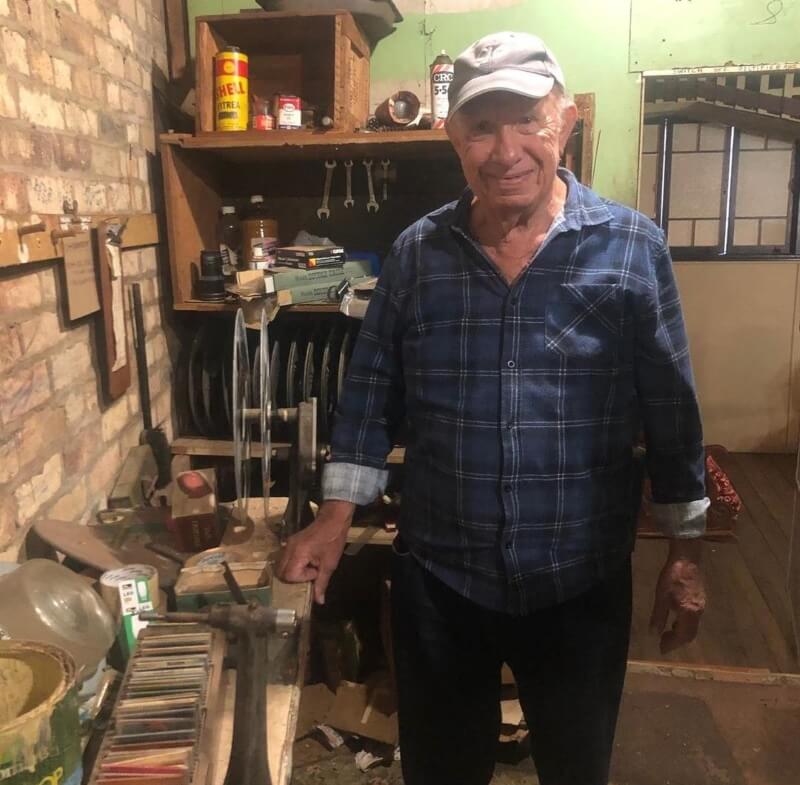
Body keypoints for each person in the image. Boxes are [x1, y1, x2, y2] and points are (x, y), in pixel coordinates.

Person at [278, 31, 709, 785]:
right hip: (442, 582)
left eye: (528, 120)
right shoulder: (418, 252)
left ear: (565, 122)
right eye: (482, 125)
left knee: (577, 768)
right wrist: (334, 516)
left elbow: (671, 408)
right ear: (454, 138)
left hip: (580, 581)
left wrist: (684, 549)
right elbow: (372, 390)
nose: (505, 149)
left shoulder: (632, 248)